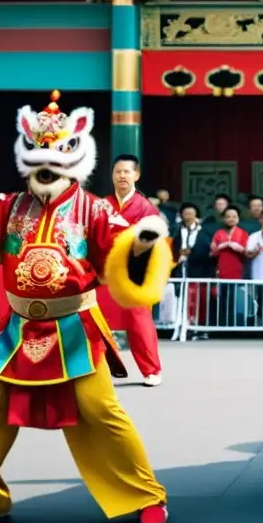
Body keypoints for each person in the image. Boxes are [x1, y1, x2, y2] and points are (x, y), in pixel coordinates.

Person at [0, 92, 172, 523]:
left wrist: (141, 247)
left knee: (101, 410)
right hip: (14, 330)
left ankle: (148, 498)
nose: (46, 167)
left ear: (74, 159)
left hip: (74, 329)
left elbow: (118, 259)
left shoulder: (95, 210)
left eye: (56, 157)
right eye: (39, 159)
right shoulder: (10, 206)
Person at [99, 154, 165, 388]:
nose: (122, 176)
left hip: (133, 272)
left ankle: (151, 370)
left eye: (127, 171)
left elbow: (152, 243)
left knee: (138, 320)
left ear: (136, 175)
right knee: (88, 318)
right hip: (103, 270)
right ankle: (92, 370)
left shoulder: (145, 207)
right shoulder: (103, 204)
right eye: (117, 171)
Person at [209, 206, 248, 328]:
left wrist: (238, 248)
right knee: (222, 299)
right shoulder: (219, 233)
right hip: (222, 271)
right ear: (223, 219)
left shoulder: (243, 233)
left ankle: (235, 326)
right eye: (228, 216)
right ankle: (221, 326)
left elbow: (248, 252)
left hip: (237, 271)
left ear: (238, 219)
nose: (231, 219)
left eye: (234, 216)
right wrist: (223, 246)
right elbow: (211, 252)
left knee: (235, 299)